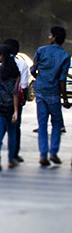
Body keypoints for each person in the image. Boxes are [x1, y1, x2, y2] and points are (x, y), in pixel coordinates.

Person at [30, 26, 71, 166]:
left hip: (40, 92)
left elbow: (33, 70)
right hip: (54, 94)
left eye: (50, 35)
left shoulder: (41, 50)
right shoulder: (65, 56)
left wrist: (40, 79)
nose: (49, 37)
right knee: (56, 124)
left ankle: (43, 155)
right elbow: (62, 79)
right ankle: (53, 152)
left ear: (53, 37)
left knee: (42, 125)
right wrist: (65, 98)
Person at [0, 38, 30, 163]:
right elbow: (23, 87)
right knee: (14, 131)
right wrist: (21, 103)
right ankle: (13, 156)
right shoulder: (19, 67)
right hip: (13, 105)